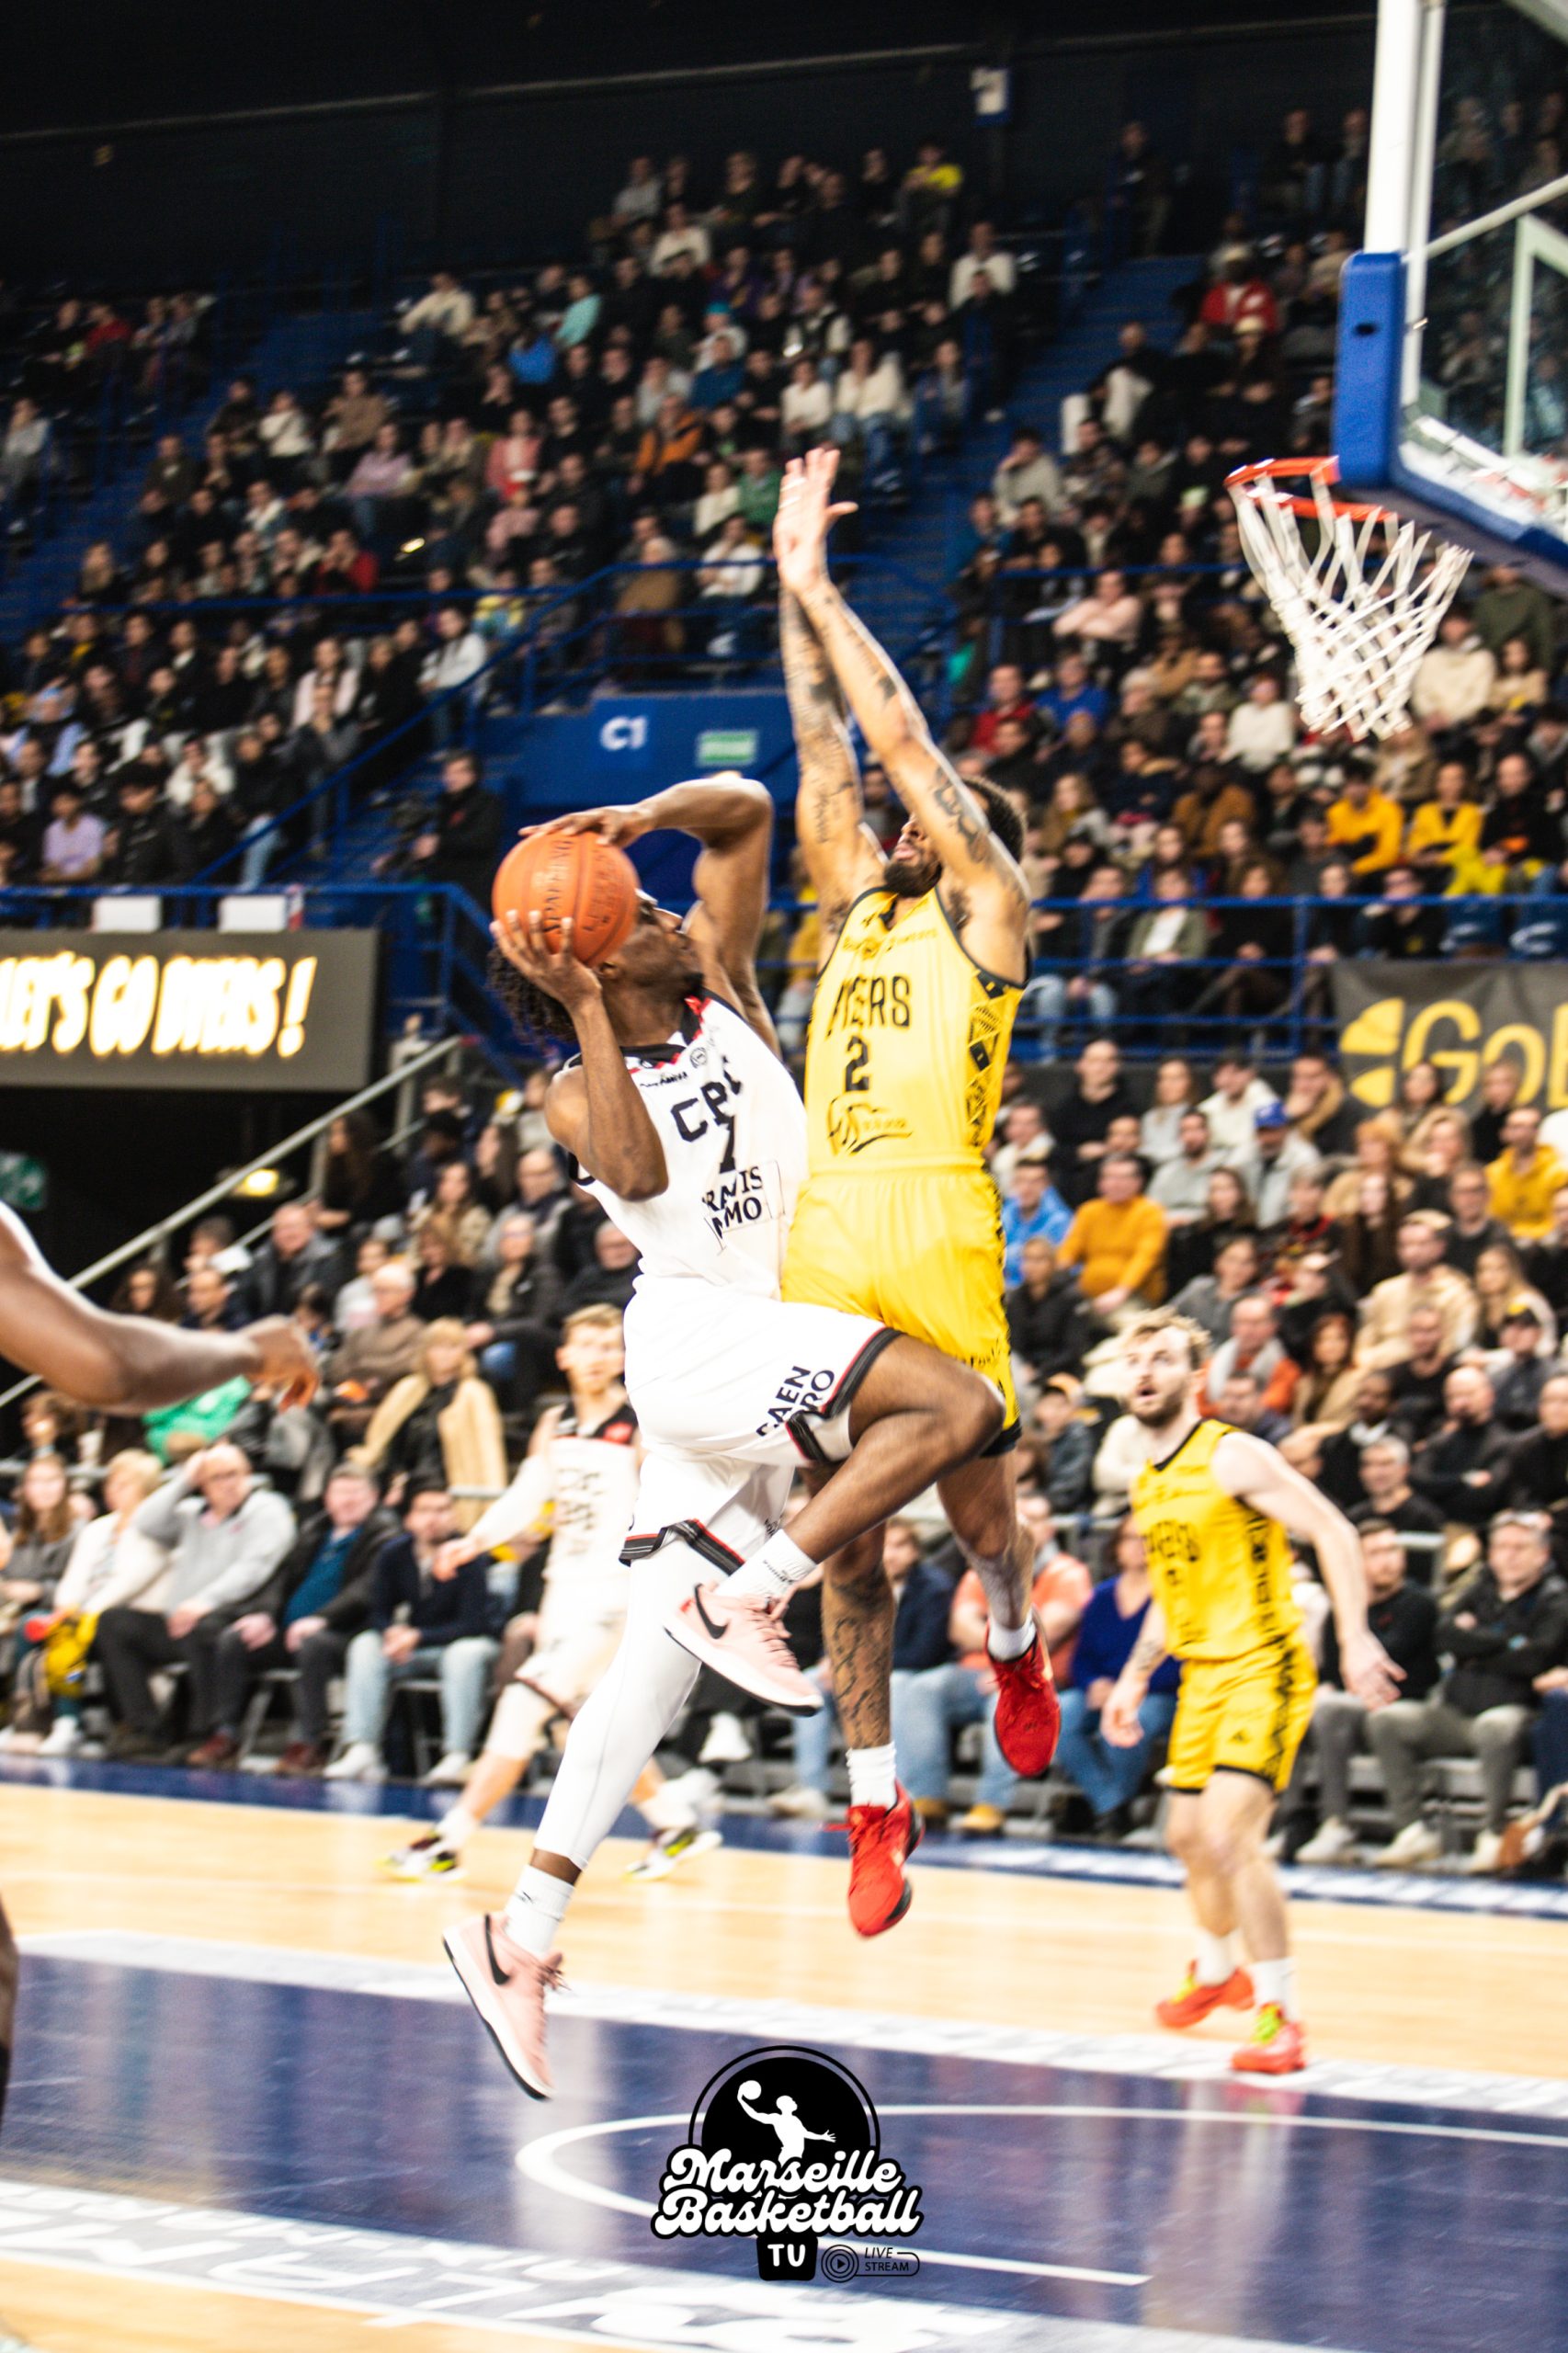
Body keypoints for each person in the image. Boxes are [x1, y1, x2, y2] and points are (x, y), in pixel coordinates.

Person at [445, 773, 1005, 2097]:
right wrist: (585, 1005)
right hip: (702, 1349)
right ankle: (756, 1594)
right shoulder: (571, 1094)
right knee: (956, 1407)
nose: (659, 911)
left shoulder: (723, 981)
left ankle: (519, 1938)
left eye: (651, 900)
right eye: (632, 913)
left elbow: (746, 811)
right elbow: (636, 1177)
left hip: (770, 1349)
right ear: (587, 954)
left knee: (647, 1672)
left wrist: (631, 818)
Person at [765, 444, 1063, 1874]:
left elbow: (889, 739)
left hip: (937, 1220)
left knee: (975, 1510)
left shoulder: (987, 908)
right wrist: (781, 584)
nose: (897, 825)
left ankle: (1013, 1636)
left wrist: (827, 592)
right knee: (847, 1544)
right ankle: (875, 1800)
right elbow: (824, 755)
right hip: (829, 1231)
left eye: (927, 819)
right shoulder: (851, 912)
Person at [1106, 1311, 1398, 2074]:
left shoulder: (1233, 1454)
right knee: (1184, 1838)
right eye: (1134, 1359)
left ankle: (1282, 2016)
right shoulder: (1148, 1480)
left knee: (1233, 1838)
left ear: (1194, 1377)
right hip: (1202, 1674)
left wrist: (1356, 1634)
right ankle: (1216, 1974)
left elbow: (1334, 1530)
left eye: (1162, 1358)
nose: (1145, 1370)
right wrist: (1137, 1677)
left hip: (1264, 1666)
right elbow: (1174, 1595)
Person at [384, 1307, 705, 1881]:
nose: (599, 1356)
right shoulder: (553, 1423)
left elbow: (669, 1511)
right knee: (581, 1725)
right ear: (564, 1355)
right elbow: (529, 1494)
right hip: (563, 1592)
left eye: (611, 1346)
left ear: (624, 1358)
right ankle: (674, 1821)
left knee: (523, 1703)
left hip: (613, 1594)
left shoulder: (637, 1427)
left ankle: (447, 1840)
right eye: (588, 1345)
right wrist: (476, 1540)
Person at [1368, 1510, 1568, 1873]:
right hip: (1456, 1710)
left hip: (1515, 1711)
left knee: (1495, 1727)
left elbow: (1535, 1657)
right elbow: (1444, 1635)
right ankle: (1412, 1831)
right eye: (1502, 1547)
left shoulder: (1555, 1598)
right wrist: (1506, 1642)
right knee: (1389, 1720)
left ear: (1541, 1554)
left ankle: (1492, 1833)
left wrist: (1474, 1650)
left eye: (1520, 1547)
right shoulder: (1479, 1588)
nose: (1509, 1555)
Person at [892, 1496, 1090, 1836]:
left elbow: (1046, 1631)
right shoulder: (983, 1569)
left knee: (1010, 1695)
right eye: (1016, 1519)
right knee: (914, 1687)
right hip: (974, 1674)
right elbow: (958, 1626)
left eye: (1034, 1519)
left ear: (1049, 1528)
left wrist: (1001, 1650)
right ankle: (927, 1797)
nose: (1023, 1527)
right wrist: (1008, 1637)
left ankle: (992, 1804)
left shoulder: (1068, 1574)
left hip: (1032, 1677)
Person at [186, 1461, 396, 1773]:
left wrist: (323, 1618)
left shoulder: (385, 1536)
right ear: (327, 1497)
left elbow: (365, 1590)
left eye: (356, 1493)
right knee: (234, 1638)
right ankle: (224, 1733)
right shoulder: (315, 1529)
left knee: (313, 1643)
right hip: (290, 1631)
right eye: (340, 1492)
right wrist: (266, 1616)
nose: (347, 1500)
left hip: (346, 1633)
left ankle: (310, 1741)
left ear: (374, 1497)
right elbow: (282, 1579)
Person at [95, 1444, 298, 1758]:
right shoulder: (192, 1514)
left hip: (233, 1618)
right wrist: (184, 1480)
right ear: (203, 1484)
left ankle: (202, 1732)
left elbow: (255, 1568)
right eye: (216, 1477)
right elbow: (145, 1522)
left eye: (234, 1474)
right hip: (179, 1619)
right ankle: (146, 1728)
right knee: (113, 1622)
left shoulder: (266, 1508)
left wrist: (205, 1601)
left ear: (249, 1475)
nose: (228, 1483)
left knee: (202, 1627)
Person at [325, 1485, 497, 1784]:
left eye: (443, 1510)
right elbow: (377, 1610)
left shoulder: (469, 1555)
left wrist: (417, 1636)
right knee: (366, 1645)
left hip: (459, 1644)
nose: (434, 1518)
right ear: (409, 1519)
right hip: (412, 1646)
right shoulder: (394, 1553)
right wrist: (391, 1633)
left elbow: (474, 1623)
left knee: (465, 1655)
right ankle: (362, 1747)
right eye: (425, 1510)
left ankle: (457, 1753)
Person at [1291, 1523, 1441, 1863]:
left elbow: (1391, 1660)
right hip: (1354, 1707)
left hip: (1406, 1703)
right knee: (1308, 1708)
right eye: (1375, 1553)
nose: (1387, 1561)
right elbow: (1332, 1668)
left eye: (1392, 1551)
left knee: (1335, 1708)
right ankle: (1303, 1823)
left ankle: (1375, 1827)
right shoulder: (1343, 1610)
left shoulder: (1419, 1604)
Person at [1054, 1519, 1181, 1835]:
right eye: (1130, 1538)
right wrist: (1093, 1683)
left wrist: (1129, 1687)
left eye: (1147, 1538)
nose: (1139, 1545)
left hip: (1157, 1691)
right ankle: (1112, 1805)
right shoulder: (1102, 1597)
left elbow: (1177, 1660)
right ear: (1116, 1547)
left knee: (1131, 1720)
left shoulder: (1173, 1596)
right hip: (1102, 1686)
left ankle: (1115, 1807)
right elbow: (1082, 1657)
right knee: (1058, 1715)